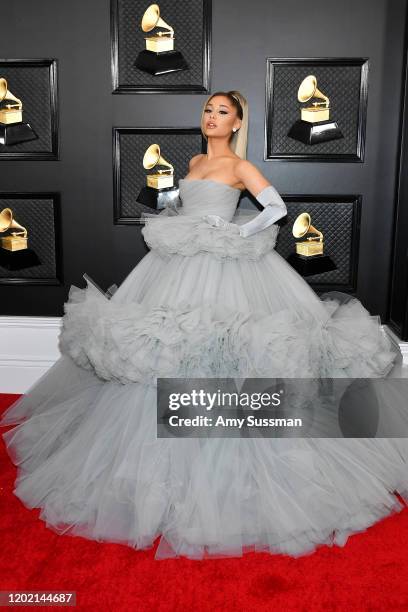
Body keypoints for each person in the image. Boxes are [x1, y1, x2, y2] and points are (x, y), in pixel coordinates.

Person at [1, 90, 408, 561]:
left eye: (222, 113)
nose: (212, 117)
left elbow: (275, 208)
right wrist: (179, 213)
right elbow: (182, 204)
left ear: (237, 123)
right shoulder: (193, 160)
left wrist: (238, 230)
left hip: (229, 270)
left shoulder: (239, 167)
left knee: (229, 350)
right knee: (164, 348)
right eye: (208, 110)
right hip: (176, 266)